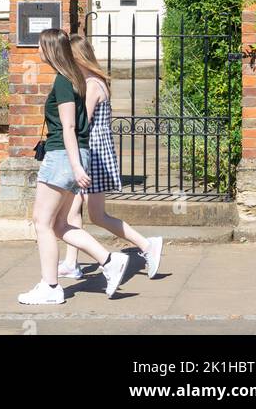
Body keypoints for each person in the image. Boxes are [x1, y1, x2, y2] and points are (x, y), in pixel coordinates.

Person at [18, 29, 128, 305]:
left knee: (42, 222)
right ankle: (109, 261)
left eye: (41, 47)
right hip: (68, 157)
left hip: (61, 157)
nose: (37, 52)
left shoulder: (64, 80)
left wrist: (77, 167)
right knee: (58, 224)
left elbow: (69, 126)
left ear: (50, 50)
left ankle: (51, 286)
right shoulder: (74, 78)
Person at [55, 33, 162, 282]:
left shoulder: (91, 85)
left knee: (76, 212)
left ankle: (146, 246)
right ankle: (74, 262)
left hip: (90, 152)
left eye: (70, 59)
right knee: (94, 215)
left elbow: (84, 122)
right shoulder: (98, 81)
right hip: (100, 152)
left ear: (78, 58)